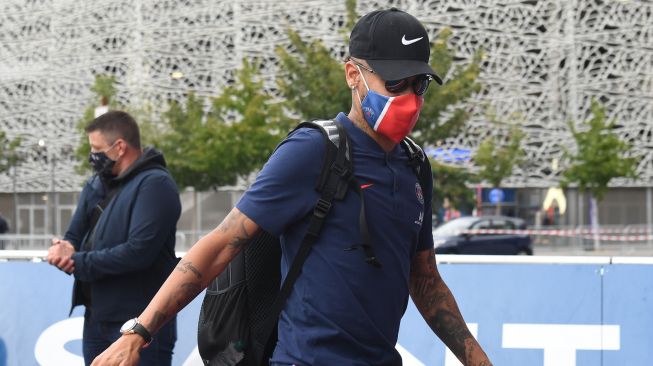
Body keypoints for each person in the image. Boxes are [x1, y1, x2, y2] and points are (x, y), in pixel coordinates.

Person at [93, 8, 492, 366]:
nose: (409, 98)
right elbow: (222, 243)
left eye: (419, 84)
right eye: (395, 82)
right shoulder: (314, 150)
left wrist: (477, 361)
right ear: (353, 74)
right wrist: (139, 332)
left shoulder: (415, 166)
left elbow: (424, 279)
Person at [46, 111, 181, 366]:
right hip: (95, 319)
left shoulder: (156, 185)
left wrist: (77, 261)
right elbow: (74, 234)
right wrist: (64, 250)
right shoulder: (96, 184)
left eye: (96, 149)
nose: (92, 156)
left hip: (141, 325)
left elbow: (138, 252)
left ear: (119, 147)